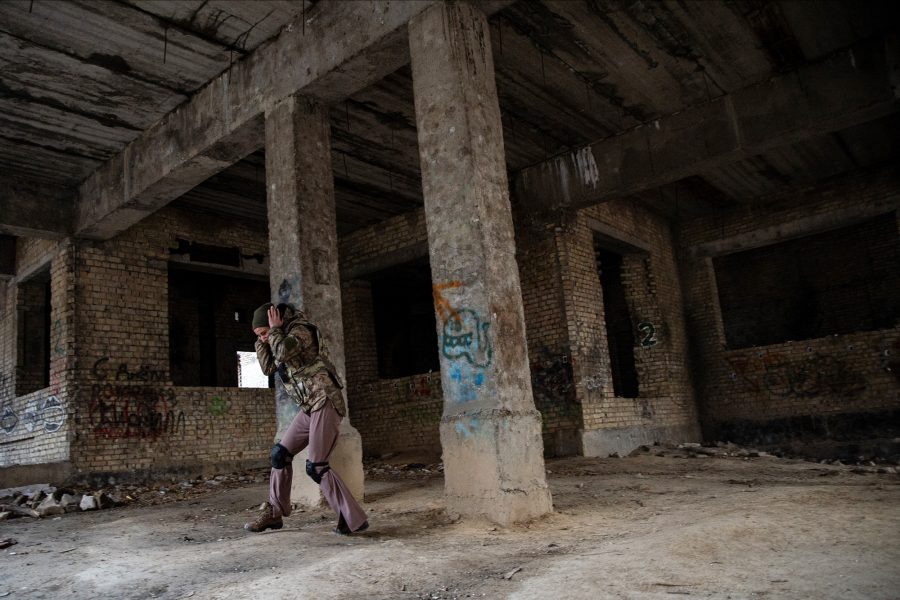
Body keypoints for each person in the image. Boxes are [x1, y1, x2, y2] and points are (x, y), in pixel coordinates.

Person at [243, 302, 368, 535]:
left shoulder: (301, 331)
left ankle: (351, 518)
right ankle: (274, 513)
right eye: (258, 335)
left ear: (274, 323)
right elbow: (268, 367)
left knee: (316, 466)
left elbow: (281, 352)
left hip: (325, 400)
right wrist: (262, 342)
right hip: (310, 406)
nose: (262, 338)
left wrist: (274, 332)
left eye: (263, 332)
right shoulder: (276, 337)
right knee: (279, 454)